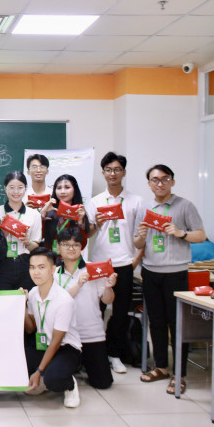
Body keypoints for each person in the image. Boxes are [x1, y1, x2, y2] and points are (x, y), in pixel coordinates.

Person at [134, 164, 206, 395]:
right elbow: (137, 243)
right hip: (151, 271)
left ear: (172, 181)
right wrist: (141, 237)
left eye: (165, 179)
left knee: (177, 324)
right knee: (156, 322)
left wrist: (181, 233)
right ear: (149, 184)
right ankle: (161, 367)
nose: (160, 183)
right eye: (155, 180)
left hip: (176, 273)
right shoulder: (144, 208)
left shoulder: (185, 206)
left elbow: (201, 235)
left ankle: (179, 374)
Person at [85, 152, 142, 373]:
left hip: (124, 262)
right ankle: (96, 353)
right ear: (103, 173)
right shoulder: (96, 201)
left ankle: (115, 354)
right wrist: (97, 224)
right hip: (100, 262)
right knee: (95, 310)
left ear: (124, 172)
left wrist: (135, 260)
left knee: (120, 312)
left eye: (117, 169)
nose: (113, 173)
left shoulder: (135, 201)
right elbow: (88, 234)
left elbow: (140, 235)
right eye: (108, 170)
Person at [55, 228, 115, 390]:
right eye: (66, 244)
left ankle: (83, 365)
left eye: (75, 245)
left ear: (81, 247)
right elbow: (57, 303)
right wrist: (78, 284)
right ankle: (74, 365)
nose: (71, 248)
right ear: (58, 247)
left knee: (103, 383)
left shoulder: (93, 270)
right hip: (65, 337)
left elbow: (108, 300)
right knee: (57, 378)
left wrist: (108, 287)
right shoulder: (54, 274)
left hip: (92, 335)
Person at [25, 247, 82, 408]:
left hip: (65, 348)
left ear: (53, 269)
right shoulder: (34, 293)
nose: (36, 272)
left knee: (53, 379)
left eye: (41, 267)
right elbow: (30, 329)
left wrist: (39, 371)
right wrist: (22, 307)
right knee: (16, 361)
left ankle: (70, 384)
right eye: (32, 267)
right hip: (43, 345)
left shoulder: (63, 300)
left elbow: (56, 343)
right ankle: (44, 379)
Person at [0, 171, 42, 290]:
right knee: (3, 299)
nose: (16, 192)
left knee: (25, 298)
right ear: (5, 188)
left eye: (20, 187)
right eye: (11, 187)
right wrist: (2, 234)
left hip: (25, 263)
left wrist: (27, 242)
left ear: (25, 188)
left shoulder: (34, 214)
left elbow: (36, 245)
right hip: (2, 264)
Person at [40, 174, 90, 252]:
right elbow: (38, 238)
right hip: (50, 257)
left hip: (71, 257)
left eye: (67, 187)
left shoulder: (79, 212)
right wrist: (42, 214)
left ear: (74, 189)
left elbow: (82, 245)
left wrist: (80, 221)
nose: (62, 191)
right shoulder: (49, 210)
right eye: (59, 188)